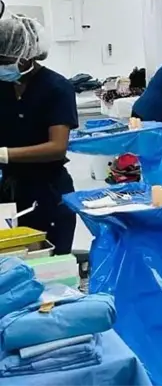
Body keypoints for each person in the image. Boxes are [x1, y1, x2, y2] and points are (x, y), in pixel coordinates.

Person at [0, 15, 78, 255]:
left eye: (3, 60)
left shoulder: (56, 88)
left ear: (25, 57)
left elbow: (57, 147)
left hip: (47, 190)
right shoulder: (3, 86)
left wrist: (4, 154)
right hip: (8, 188)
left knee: (49, 261)